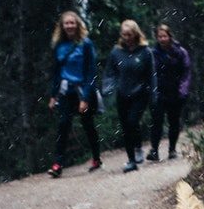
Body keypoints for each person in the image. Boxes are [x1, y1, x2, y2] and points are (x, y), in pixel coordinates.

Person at [47, 10, 101, 178]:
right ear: (62, 26)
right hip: (65, 91)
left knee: (88, 124)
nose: (69, 26)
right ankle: (57, 164)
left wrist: (85, 98)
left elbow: (91, 72)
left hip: (82, 90)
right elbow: (56, 72)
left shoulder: (86, 44)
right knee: (63, 124)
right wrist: (53, 95)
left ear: (77, 24)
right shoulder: (59, 46)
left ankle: (96, 158)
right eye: (66, 23)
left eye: (72, 23)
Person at [103, 20, 157, 173]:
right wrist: (108, 88)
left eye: (129, 34)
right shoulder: (116, 52)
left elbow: (151, 75)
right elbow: (110, 72)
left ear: (135, 34)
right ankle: (131, 160)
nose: (126, 37)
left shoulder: (145, 51)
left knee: (133, 121)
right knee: (126, 126)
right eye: (124, 34)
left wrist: (153, 93)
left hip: (140, 93)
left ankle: (138, 148)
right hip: (122, 94)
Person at [148, 24, 191, 161]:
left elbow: (186, 71)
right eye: (159, 36)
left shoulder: (180, 52)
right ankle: (154, 150)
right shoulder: (152, 53)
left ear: (170, 36)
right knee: (157, 122)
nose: (162, 39)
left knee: (174, 121)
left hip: (175, 92)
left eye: (164, 36)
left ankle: (172, 149)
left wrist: (183, 89)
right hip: (159, 92)